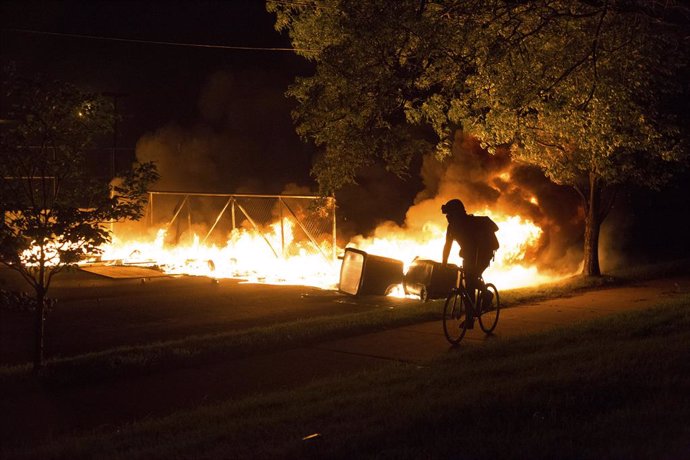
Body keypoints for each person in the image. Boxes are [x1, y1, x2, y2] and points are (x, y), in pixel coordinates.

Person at [441, 198, 499, 328]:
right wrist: (443, 263)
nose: (448, 217)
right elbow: (447, 245)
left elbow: (480, 243)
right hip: (469, 256)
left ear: (458, 213)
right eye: (447, 215)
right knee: (468, 287)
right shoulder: (451, 228)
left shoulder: (471, 223)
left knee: (472, 279)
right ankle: (470, 318)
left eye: (450, 214)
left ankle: (487, 294)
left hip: (484, 254)